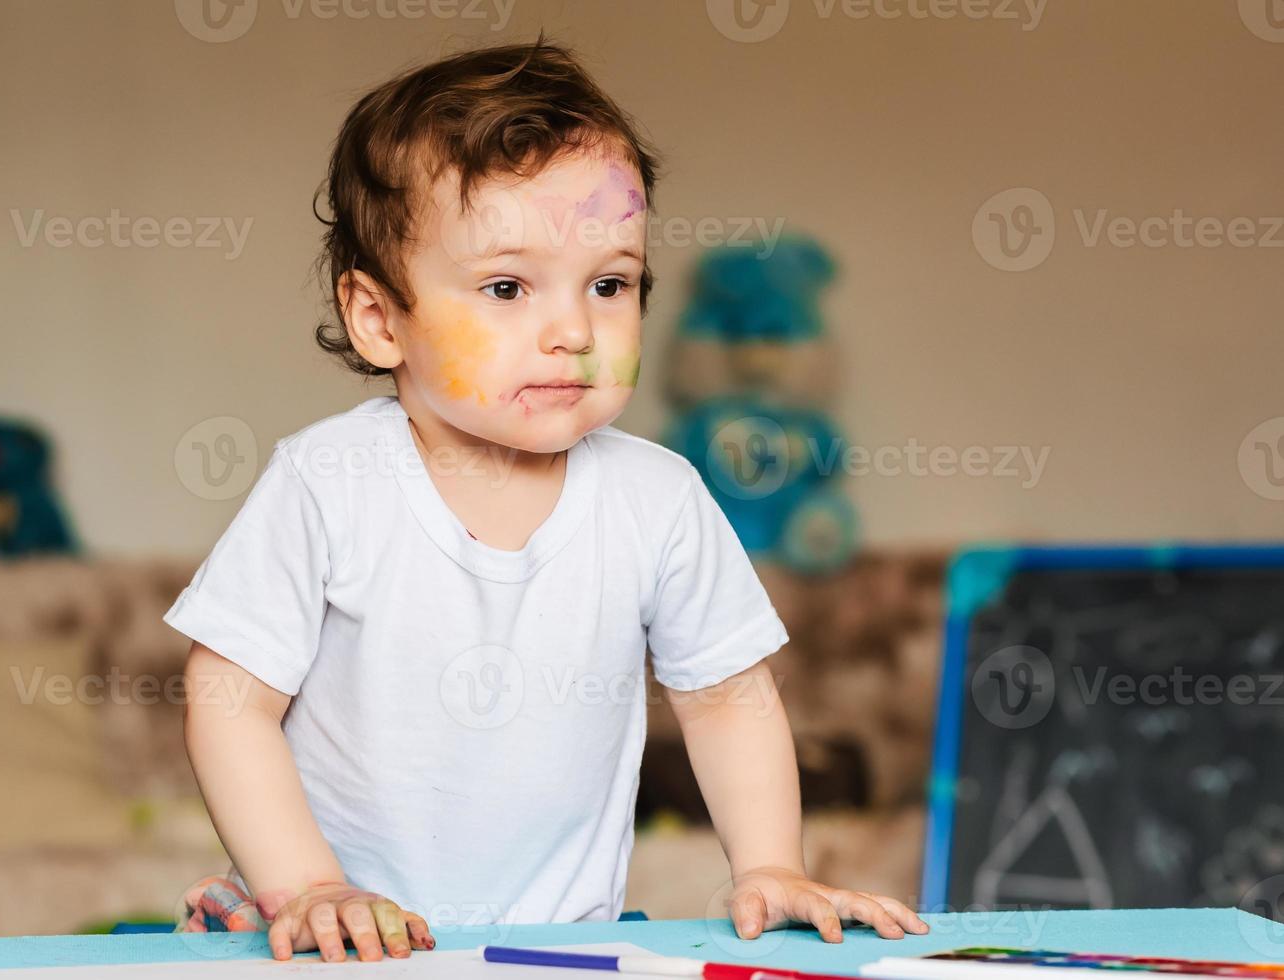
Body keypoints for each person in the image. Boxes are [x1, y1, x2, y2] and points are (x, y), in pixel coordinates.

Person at [166, 36, 927, 965]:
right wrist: (308, 885)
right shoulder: (328, 484)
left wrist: (770, 864)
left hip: (556, 953)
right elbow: (228, 696)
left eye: (609, 284)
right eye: (507, 286)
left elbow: (727, 699)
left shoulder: (657, 496)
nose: (572, 330)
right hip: (338, 946)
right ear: (379, 319)